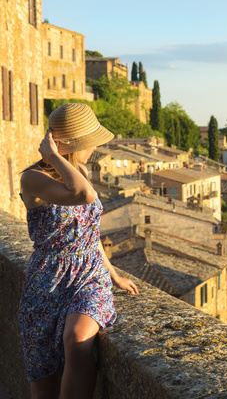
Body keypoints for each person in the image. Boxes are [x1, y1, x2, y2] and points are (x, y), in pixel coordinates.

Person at [19, 103, 139, 399]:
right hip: (46, 282)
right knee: (43, 378)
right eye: (89, 142)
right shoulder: (33, 178)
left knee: (77, 338)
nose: (95, 148)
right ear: (69, 144)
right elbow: (83, 196)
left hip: (89, 276)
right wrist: (53, 156)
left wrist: (113, 275)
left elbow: (89, 231)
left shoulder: (80, 171)